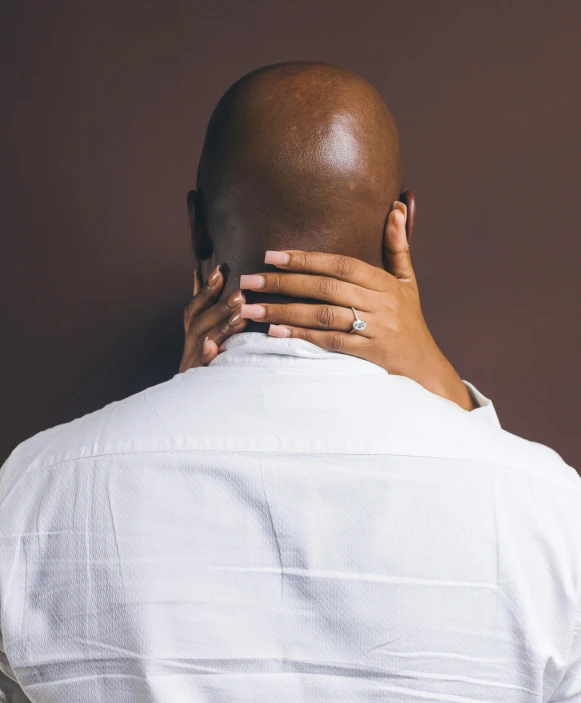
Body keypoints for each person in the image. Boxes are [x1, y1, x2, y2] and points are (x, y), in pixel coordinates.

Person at [0, 61, 579, 703]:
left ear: (197, 223)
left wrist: (171, 409)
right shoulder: (549, 507)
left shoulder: (30, 490)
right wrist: (449, 395)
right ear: (403, 222)